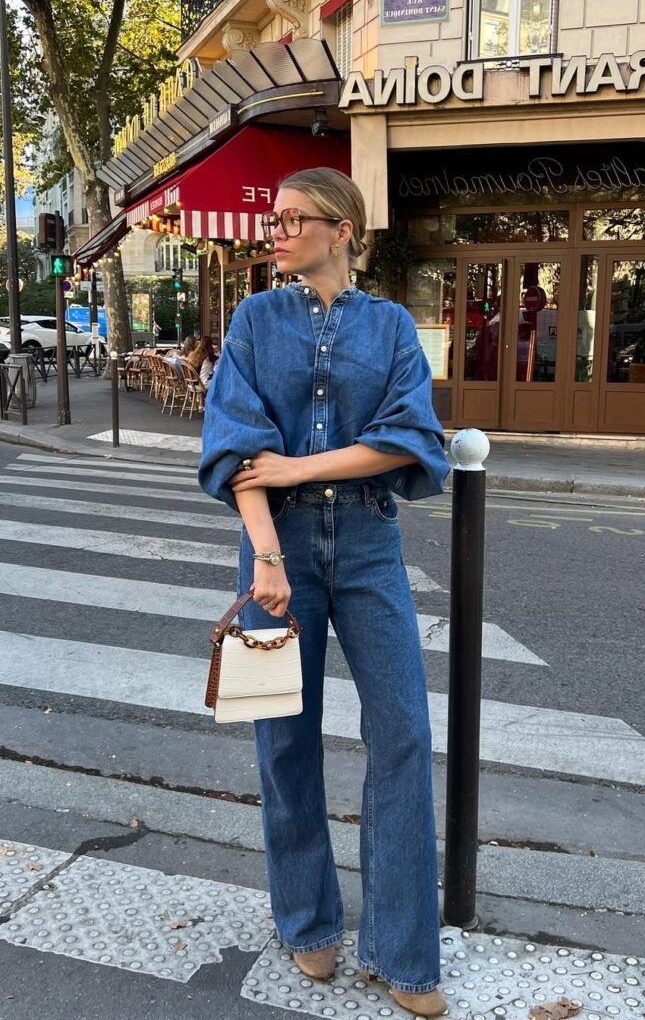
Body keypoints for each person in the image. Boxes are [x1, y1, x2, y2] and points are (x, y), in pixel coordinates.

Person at [199, 168, 449, 1017]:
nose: (275, 231)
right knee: (285, 740)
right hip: (281, 550)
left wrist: (302, 464)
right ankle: (307, 921)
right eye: (272, 219)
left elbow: (408, 437)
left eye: (293, 218)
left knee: (405, 735)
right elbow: (236, 448)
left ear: (342, 228)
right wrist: (265, 557)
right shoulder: (254, 319)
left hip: (370, 541)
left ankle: (402, 953)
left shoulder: (388, 327)